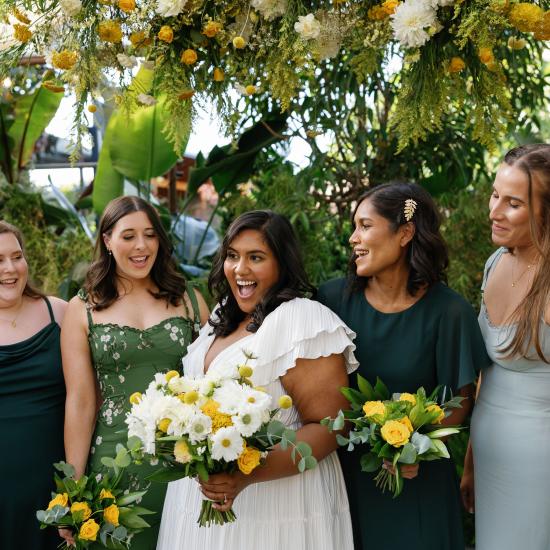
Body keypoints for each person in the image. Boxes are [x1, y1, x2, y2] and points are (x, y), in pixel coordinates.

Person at [157, 210, 357, 550]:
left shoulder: (302, 321)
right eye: (232, 256)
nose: (240, 269)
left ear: (283, 263)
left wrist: (244, 475)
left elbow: (331, 426)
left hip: (278, 504)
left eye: (256, 257)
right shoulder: (221, 315)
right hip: (197, 502)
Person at [317, 182, 490, 550]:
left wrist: (411, 447)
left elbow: (460, 403)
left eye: (365, 225)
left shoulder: (449, 312)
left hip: (418, 483)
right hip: (346, 484)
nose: (353, 238)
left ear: (405, 233)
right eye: (354, 226)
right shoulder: (330, 301)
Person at [60, 196, 209, 549]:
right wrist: (74, 489)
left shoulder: (190, 299)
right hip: (115, 464)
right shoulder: (82, 309)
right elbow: (80, 402)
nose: (141, 246)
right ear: (107, 241)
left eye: (150, 234)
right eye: (128, 236)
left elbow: (211, 385)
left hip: (182, 462)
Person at [461, 144, 550, 550]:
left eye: (512, 203)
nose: (494, 211)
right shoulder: (496, 262)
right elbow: (487, 374)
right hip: (488, 449)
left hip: (537, 458)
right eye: (495, 195)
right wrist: (471, 461)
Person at [0, 220, 67, 550]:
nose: (10, 269)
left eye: (17, 256)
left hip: (53, 486)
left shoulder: (60, 314)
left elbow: (90, 396)